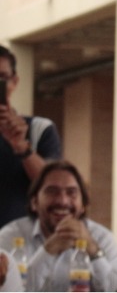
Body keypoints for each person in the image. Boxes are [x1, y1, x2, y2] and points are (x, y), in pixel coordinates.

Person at [0, 160, 117, 292]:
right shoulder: (10, 235)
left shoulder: (102, 237)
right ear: (34, 202)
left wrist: (93, 250)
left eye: (71, 192)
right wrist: (47, 251)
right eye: (52, 191)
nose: (62, 201)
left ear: (83, 205)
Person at [0, 45, 62, 228]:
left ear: (14, 82)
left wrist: (21, 146)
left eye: (2, 78)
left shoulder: (39, 129)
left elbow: (55, 185)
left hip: (23, 247)